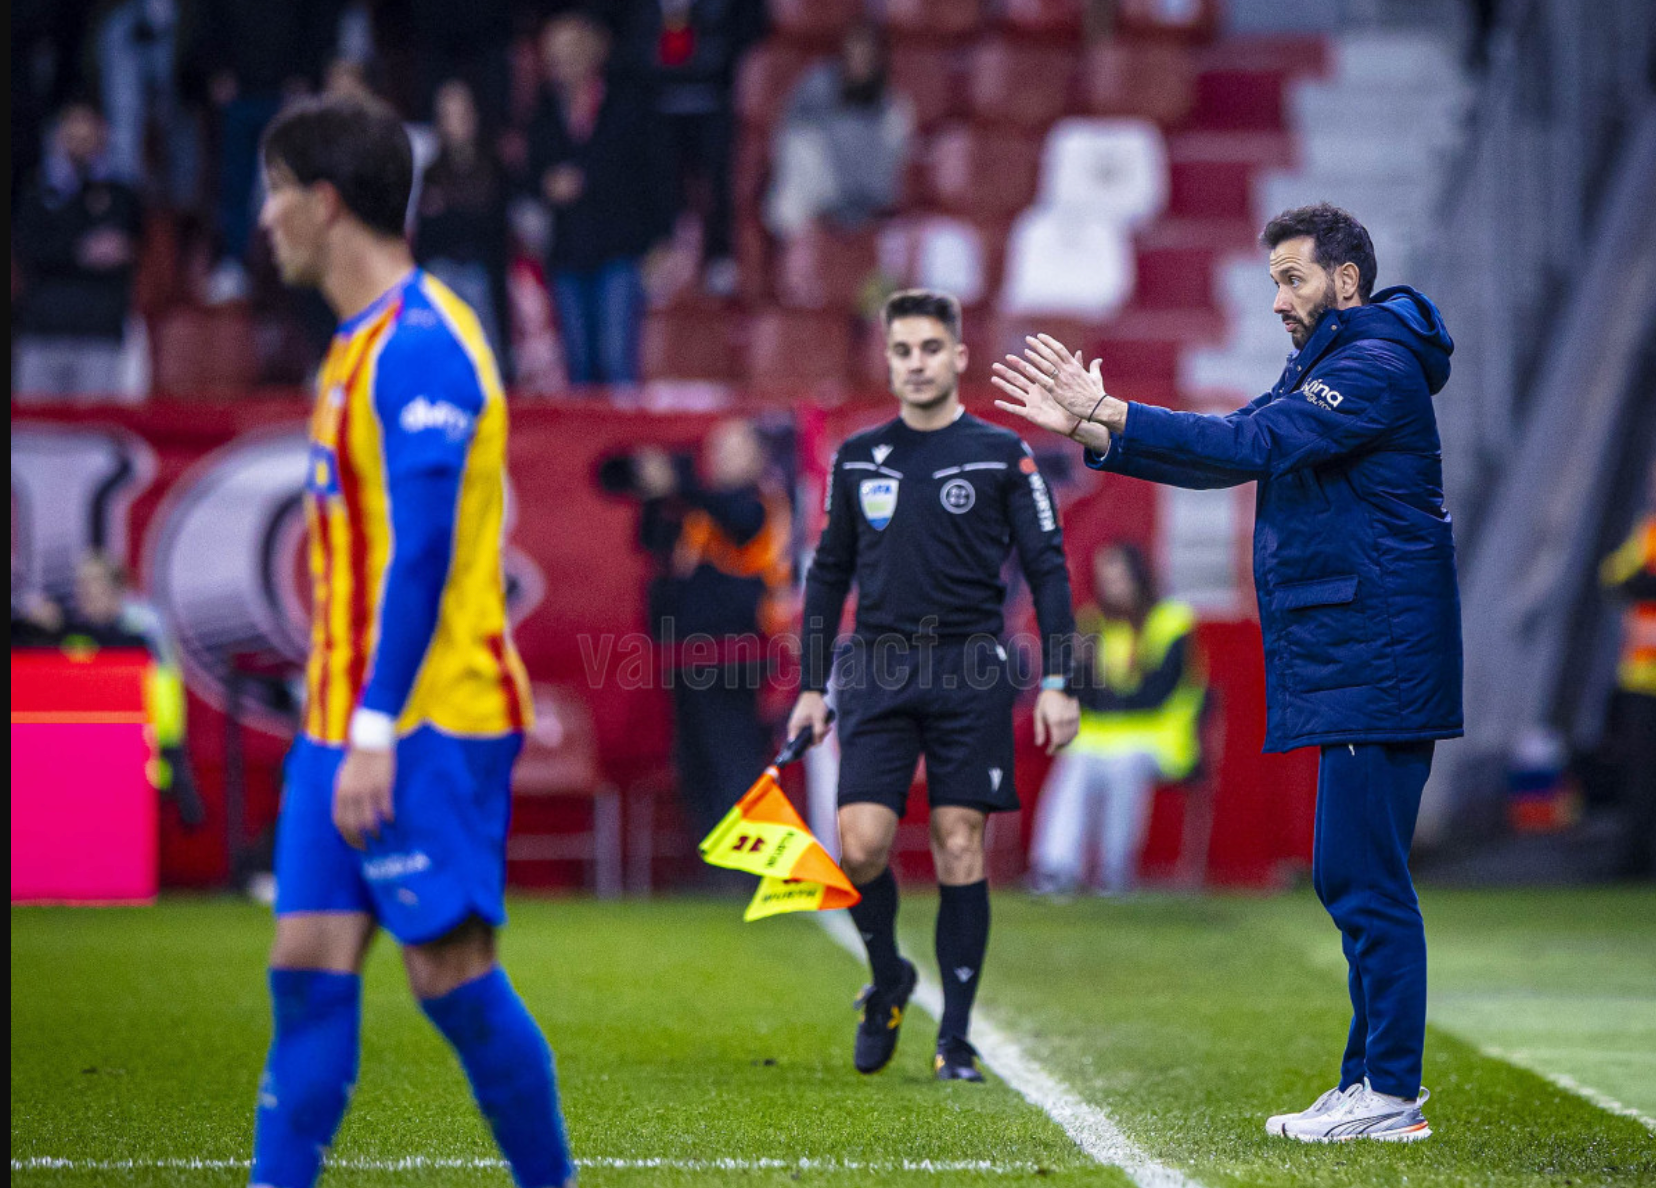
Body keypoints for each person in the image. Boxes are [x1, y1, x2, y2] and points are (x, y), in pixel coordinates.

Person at [993, 202, 1461, 1142]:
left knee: (1364, 879)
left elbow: (1248, 447)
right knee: (1350, 873)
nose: (1280, 299)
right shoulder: (1328, 366)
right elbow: (1227, 446)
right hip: (1363, 654)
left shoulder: (1372, 365)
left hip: (1381, 655)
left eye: (1293, 278)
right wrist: (1102, 428)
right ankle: (1367, 1080)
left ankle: (1392, 1092)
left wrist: (1109, 412)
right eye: (1273, 281)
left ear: (1347, 282)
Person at [248, 96, 573, 1188]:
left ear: (325, 203)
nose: (264, 216)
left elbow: (424, 556)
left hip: (430, 715)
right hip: (345, 720)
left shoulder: (424, 346)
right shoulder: (356, 343)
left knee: (449, 975)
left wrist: (376, 728)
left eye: (277, 189)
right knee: (306, 971)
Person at [788, 288, 1081, 1083]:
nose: (915, 363)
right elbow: (828, 575)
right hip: (876, 669)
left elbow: (1049, 570)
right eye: (901, 351)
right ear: (887, 361)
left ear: (957, 357)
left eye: (928, 349)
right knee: (859, 845)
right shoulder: (857, 455)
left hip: (969, 669)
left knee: (959, 842)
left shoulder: (1002, 454)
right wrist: (813, 686)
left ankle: (955, 1038)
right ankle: (887, 979)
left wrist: (1059, 677)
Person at [628, 421, 792, 844]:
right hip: (686, 656)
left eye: (733, 450)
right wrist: (655, 493)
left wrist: (677, 482)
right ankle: (715, 859)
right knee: (694, 760)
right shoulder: (695, 509)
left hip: (734, 656)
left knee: (732, 757)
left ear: (757, 457)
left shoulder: (760, 500)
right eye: (715, 450)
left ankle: (750, 861)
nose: (720, 459)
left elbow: (739, 521)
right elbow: (650, 543)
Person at [1028, 543, 1204, 896]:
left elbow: (1158, 692)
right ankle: (1056, 869)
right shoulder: (1092, 623)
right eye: (1105, 578)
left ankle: (1113, 872)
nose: (1113, 585)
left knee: (1125, 763)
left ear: (1139, 576)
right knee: (1074, 760)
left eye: (1120, 576)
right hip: (1102, 740)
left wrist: (1107, 697)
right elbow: (1081, 692)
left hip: (1159, 741)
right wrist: (1080, 668)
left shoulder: (1172, 621)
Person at [527, 9, 674, 387]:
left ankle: (624, 446)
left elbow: (658, 173)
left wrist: (662, 239)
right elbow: (527, 175)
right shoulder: (544, 111)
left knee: (617, 362)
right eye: (554, 53)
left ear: (593, 50)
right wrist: (546, 184)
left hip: (619, 250)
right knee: (579, 367)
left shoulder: (628, 103)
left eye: (571, 49)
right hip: (568, 254)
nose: (562, 61)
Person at [12, 103, 144, 400]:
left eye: (87, 128)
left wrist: (67, 249)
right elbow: (30, 249)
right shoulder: (35, 191)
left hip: (98, 334)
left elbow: (121, 249)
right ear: (58, 135)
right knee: (35, 437)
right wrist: (79, 251)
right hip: (42, 332)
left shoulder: (121, 195)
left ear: (103, 134)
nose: (79, 137)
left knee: (94, 435)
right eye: (72, 128)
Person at [765, 21, 913, 238]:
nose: (859, 62)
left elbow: (886, 174)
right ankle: (797, 250)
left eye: (866, 55)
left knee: (898, 120)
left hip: (864, 193)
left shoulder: (891, 104)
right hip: (820, 184)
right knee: (798, 145)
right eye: (854, 53)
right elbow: (788, 135)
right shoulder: (818, 84)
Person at [415, 79, 510, 368]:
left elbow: (491, 226)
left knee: (485, 358)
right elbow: (428, 234)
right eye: (447, 115)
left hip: (482, 273)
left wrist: (449, 210)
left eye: (461, 114)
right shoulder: (432, 170)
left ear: (474, 116)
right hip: (443, 274)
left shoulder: (494, 165)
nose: (455, 124)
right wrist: (461, 213)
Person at [1598, 460, 1656, 878]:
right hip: (1640, 680)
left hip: (1641, 678)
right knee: (1640, 780)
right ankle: (1634, 861)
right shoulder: (1649, 535)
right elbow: (1613, 577)